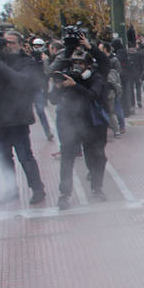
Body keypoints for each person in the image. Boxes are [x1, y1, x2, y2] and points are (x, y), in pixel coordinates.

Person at [0, 31, 46, 204]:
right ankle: (11, 189)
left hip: (18, 119)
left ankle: (37, 189)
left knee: (25, 157)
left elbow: (22, 82)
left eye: (11, 42)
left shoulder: (25, 62)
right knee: (4, 159)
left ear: (20, 44)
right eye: (5, 43)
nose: (8, 46)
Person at [50, 50, 109, 210]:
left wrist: (75, 85)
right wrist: (58, 86)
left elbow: (93, 95)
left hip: (90, 124)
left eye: (81, 63)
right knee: (67, 157)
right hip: (68, 123)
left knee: (96, 157)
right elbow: (53, 100)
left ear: (88, 65)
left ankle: (97, 188)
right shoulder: (65, 76)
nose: (77, 66)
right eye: (74, 62)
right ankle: (64, 194)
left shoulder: (95, 77)